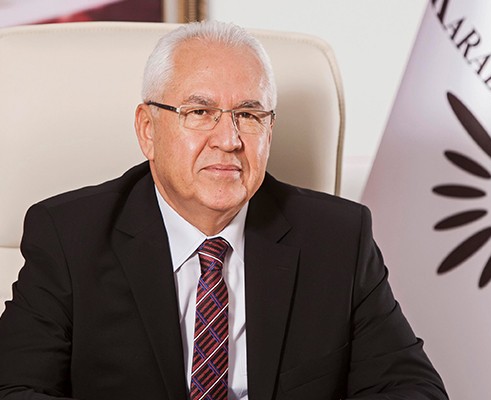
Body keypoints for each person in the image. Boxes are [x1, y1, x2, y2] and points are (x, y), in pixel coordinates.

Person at [0, 21, 447, 400]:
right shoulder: (70, 237)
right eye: (200, 112)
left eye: (249, 116)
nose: (229, 140)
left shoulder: (338, 239)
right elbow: (13, 388)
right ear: (148, 129)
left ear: (269, 130)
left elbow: (413, 389)